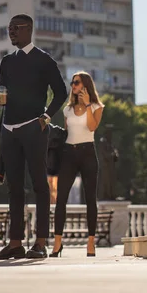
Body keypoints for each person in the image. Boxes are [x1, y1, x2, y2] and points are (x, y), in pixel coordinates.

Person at [0, 14, 67, 260]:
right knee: (14, 188)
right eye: (9, 28)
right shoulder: (6, 62)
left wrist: (46, 118)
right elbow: (4, 94)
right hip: (9, 130)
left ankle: (40, 243)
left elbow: (61, 93)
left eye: (15, 28)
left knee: (40, 186)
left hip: (34, 128)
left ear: (28, 30)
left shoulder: (44, 60)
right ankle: (15, 244)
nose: (11, 32)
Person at [51, 71, 104, 258]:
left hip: (88, 153)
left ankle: (91, 242)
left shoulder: (97, 106)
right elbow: (67, 132)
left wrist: (88, 104)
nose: (73, 86)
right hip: (68, 154)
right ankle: (57, 243)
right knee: (61, 199)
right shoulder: (67, 109)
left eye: (76, 82)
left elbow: (91, 127)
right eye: (72, 83)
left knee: (90, 199)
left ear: (85, 85)